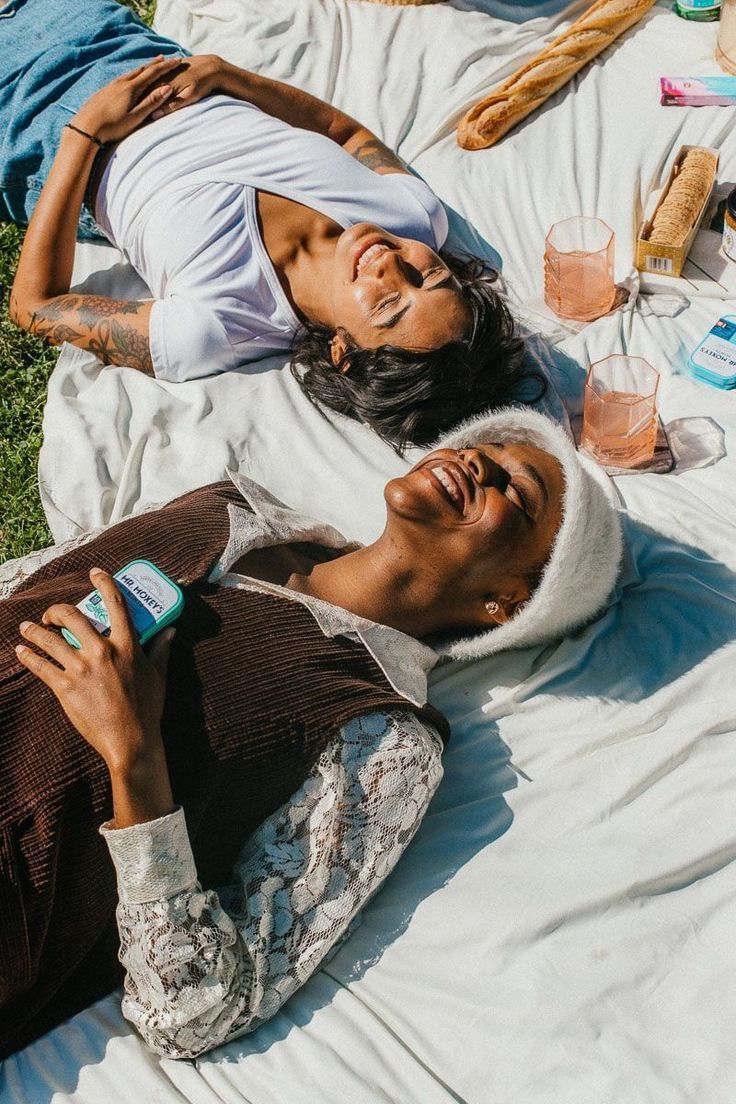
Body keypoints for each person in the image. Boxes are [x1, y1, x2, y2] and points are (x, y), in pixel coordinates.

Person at [0, 409, 622, 1059]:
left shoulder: (382, 735)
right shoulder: (229, 506)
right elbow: (37, 582)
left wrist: (134, 756)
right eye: (483, 445)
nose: (477, 461)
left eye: (516, 491)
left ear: (511, 602)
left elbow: (195, 1012)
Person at [1, 0, 543, 450]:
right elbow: (345, 132)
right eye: (430, 277)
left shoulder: (217, 326)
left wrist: (86, 132)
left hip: (32, 125)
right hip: (115, 42)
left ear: (342, 352)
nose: (391, 263)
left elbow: (34, 306)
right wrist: (228, 77)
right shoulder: (414, 216)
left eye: (386, 302)